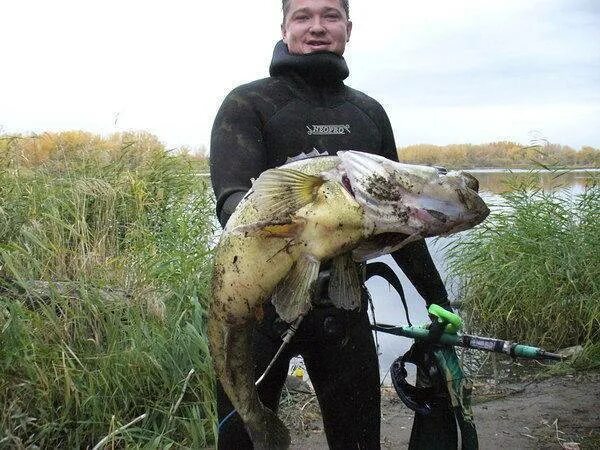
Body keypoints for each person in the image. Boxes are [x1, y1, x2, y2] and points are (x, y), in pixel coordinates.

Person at [210, 1, 454, 448]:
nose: (317, 27)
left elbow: (404, 219)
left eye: (330, 16)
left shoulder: (369, 113)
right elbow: (232, 207)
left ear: (349, 27)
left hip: (343, 311)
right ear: (284, 27)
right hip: (260, 314)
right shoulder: (248, 104)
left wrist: (437, 298)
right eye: (303, 16)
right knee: (242, 439)